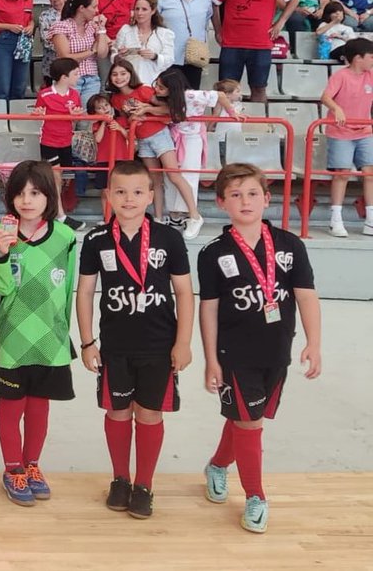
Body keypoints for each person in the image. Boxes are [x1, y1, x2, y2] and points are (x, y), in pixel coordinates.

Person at [198, 163, 322, 534]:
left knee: (246, 418)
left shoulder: (290, 245)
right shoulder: (212, 252)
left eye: (252, 193)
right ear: (221, 203)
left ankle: (218, 465)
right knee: (249, 422)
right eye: (235, 195)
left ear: (267, 199)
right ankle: (256, 496)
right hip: (234, 355)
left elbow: (306, 295)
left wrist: (314, 343)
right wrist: (210, 360)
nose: (245, 201)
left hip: (277, 351)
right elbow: (210, 308)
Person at [75, 160, 193, 519]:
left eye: (138, 191)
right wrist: (87, 341)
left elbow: (185, 293)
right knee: (117, 410)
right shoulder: (96, 239)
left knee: (150, 413)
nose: (129, 199)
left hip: (159, 345)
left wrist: (183, 342)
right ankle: (120, 479)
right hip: (115, 345)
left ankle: (144, 483)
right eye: (121, 191)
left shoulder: (168, 238)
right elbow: (84, 293)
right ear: (108, 195)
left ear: (150, 195)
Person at [0, 161, 76, 506]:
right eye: (20, 193)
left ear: (48, 196)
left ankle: (32, 464)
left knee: (39, 408)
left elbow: (67, 291)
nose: (27, 200)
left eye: (35, 192)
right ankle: (12, 469)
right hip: (14, 339)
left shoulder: (66, 238)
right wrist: (3, 252)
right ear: (10, 197)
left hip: (51, 340)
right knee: (10, 408)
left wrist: (67, 334)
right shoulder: (0, 233)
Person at [109, 57, 205, 234]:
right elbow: (124, 118)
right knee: (155, 181)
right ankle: (159, 218)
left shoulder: (144, 90)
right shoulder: (116, 98)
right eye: (115, 74)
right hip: (142, 139)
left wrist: (147, 110)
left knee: (174, 174)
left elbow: (169, 109)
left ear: (131, 74)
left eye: (123, 73)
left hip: (159, 134)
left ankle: (195, 216)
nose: (119, 77)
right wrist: (126, 123)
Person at [152, 69, 242, 230]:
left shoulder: (191, 95)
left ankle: (191, 215)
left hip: (192, 138)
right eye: (157, 85)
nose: (157, 89)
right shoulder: (167, 98)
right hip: (173, 137)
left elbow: (220, 95)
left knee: (188, 175)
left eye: (161, 87)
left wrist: (232, 112)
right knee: (170, 176)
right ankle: (174, 215)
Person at [212, 0, 299, 103]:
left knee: (259, 89)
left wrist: (280, 23)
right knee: (226, 89)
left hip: (261, 44)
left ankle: (259, 125)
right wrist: (218, 30)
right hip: (232, 44)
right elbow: (214, 3)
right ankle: (223, 125)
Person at [320, 38, 373, 237]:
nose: (372, 60)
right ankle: (336, 219)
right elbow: (325, 97)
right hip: (341, 132)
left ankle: (370, 219)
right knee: (342, 173)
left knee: (370, 172)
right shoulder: (340, 76)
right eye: (370, 57)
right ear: (358, 58)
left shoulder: (371, 75)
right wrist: (337, 108)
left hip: (365, 131)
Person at [35, 58, 86, 230]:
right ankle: (60, 215)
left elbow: (75, 118)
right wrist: (38, 114)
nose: (78, 77)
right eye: (76, 74)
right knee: (55, 176)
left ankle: (53, 211)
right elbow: (38, 115)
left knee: (62, 178)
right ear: (64, 77)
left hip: (66, 141)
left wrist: (75, 115)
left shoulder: (75, 95)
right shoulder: (45, 94)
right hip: (49, 141)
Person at [157, 0, 213, 89]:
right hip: (170, 54)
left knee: (192, 94)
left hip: (194, 54)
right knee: (171, 94)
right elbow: (155, 19)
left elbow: (207, 18)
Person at [49, 0, 111, 101]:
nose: (97, 11)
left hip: (92, 78)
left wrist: (101, 29)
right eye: (94, 7)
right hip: (69, 78)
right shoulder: (62, 26)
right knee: (69, 113)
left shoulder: (93, 26)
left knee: (88, 115)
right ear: (82, 8)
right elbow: (65, 57)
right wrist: (92, 51)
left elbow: (102, 53)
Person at [112, 0, 174, 86]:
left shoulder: (164, 33)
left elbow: (169, 59)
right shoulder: (125, 30)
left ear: (153, 11)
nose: (139, 13)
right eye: (137, 9)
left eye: (144, 9)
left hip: (152, 82)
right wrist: (120, 55)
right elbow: (113, 55)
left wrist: (155, 56)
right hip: (127, 84)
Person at [39, 0, 68, 74]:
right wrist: (65, 50)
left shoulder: (75, 13)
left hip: (74, 64)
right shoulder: (44, 16)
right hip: (52, 64)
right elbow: (47, 41)